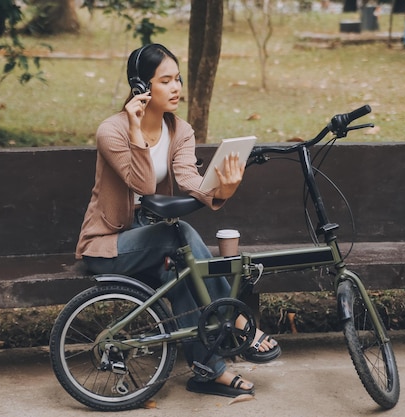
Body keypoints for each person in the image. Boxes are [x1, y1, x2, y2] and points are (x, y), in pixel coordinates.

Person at [75, 43, 280, 398]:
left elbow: (190, 181)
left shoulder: (180, 130)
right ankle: (236, 319)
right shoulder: (111, 131)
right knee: (179, 233)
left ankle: (207, 371)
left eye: (178, 79)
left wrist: (224, 189)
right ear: (142, 87)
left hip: (151, 242)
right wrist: (137, 132)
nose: (176, 88)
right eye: (165, 80)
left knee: (184, 274)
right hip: (108, 244)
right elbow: (140, 183)